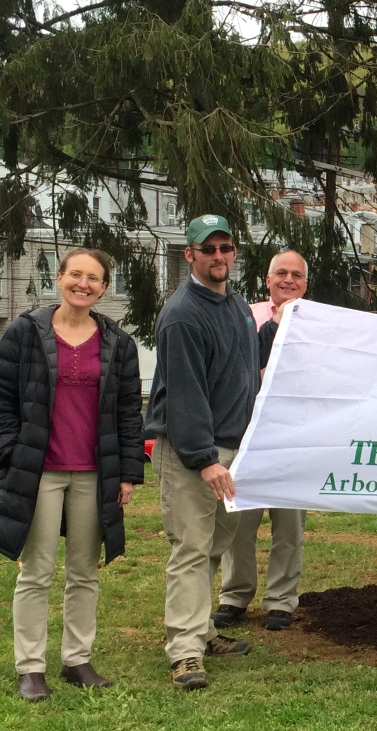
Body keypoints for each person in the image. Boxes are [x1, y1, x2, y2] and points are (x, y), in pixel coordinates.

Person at [0, 248, 145, 702]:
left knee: (85, 571)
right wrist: (9, 452)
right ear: (60, 278)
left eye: (94, 278)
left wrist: (126, 473)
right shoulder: (25, 333)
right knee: (37, 570)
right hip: (39, 470)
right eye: (75, 275)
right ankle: (30, 667)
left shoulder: (118, 345)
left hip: (93, 473)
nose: (83, 284)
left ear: (104, 288)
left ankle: (77, 660)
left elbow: (128, 412)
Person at [145, 214, 261, 691]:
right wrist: (204, 458)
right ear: (189, 254)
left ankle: (203, 629)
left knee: (214, 546)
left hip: (236, 448)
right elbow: (186, 395)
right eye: (207, 249)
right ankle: (185, 651)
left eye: (226, 248)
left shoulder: (234, 306)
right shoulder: (182, 314)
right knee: (191, 549)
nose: (218, 257)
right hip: (196, 453)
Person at [211, 250, 310, 632]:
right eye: (280, 273)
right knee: (239, 523)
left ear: (305, 283)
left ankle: (282, 602)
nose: (288, 280)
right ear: (267, 280)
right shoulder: (245, 315)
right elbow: (239, 364)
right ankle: (234, 597)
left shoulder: (322, 322)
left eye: (296, 275)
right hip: (246, 436)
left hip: (296, 437)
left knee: (289, 527)